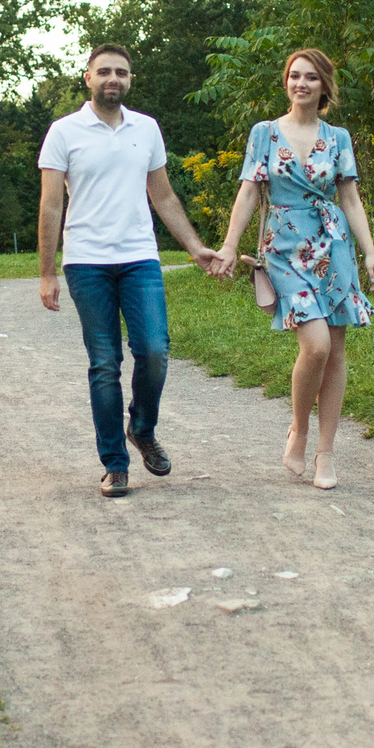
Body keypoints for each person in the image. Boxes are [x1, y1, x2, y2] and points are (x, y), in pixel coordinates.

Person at [38, 44, 227, 498]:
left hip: (140, 256)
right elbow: (50, 203)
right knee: (105, 364)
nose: (112, 79)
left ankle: (141, 428)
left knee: (154, 350)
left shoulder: (147, 128)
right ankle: (115, 465)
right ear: (87, 78)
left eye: (121, 72)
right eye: (104, 71)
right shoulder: (64, 132)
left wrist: (195, 246)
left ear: (130, 79)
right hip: (86, 261)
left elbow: (162, 196)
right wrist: (47, 272)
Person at [211, 48, 374, 490]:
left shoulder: (339, 137)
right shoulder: (265, 133)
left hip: (333, 246)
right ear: (286, 82)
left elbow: (350, 198)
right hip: (285, 248)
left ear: (324, 85)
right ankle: (299, 429)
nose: (300, 83)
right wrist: (230, 246)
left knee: (337, 351)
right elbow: (250, 192)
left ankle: (325, 452)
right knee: (317, 346)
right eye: (293, 76)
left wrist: (370, 253)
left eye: (310, 77)